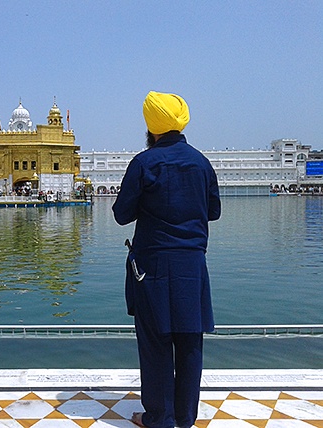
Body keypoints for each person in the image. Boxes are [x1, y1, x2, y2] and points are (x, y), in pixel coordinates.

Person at [112, 91, 221, 428]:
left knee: (156, 342)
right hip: (192, 265)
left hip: (153, 267)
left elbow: (121, 215)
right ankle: (185, 417)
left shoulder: (144, 163)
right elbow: (213, 211)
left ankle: (158, 416)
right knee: (190, 343)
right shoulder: (201, 162)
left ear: (151, 127)